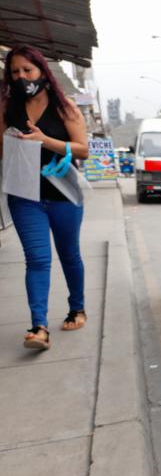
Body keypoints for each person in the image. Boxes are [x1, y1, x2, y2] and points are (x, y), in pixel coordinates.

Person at [0, 45, 90, 350]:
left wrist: (45, 140)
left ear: (41, 70)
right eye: (15, 71)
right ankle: (38, 326)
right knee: (37, 259)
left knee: (69, 255)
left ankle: (77, 307)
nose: (22, 76)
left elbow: (83, 149)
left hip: (63, 193)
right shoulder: (7, 108)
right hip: (25, 195)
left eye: (28, 70)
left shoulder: (64, 107)